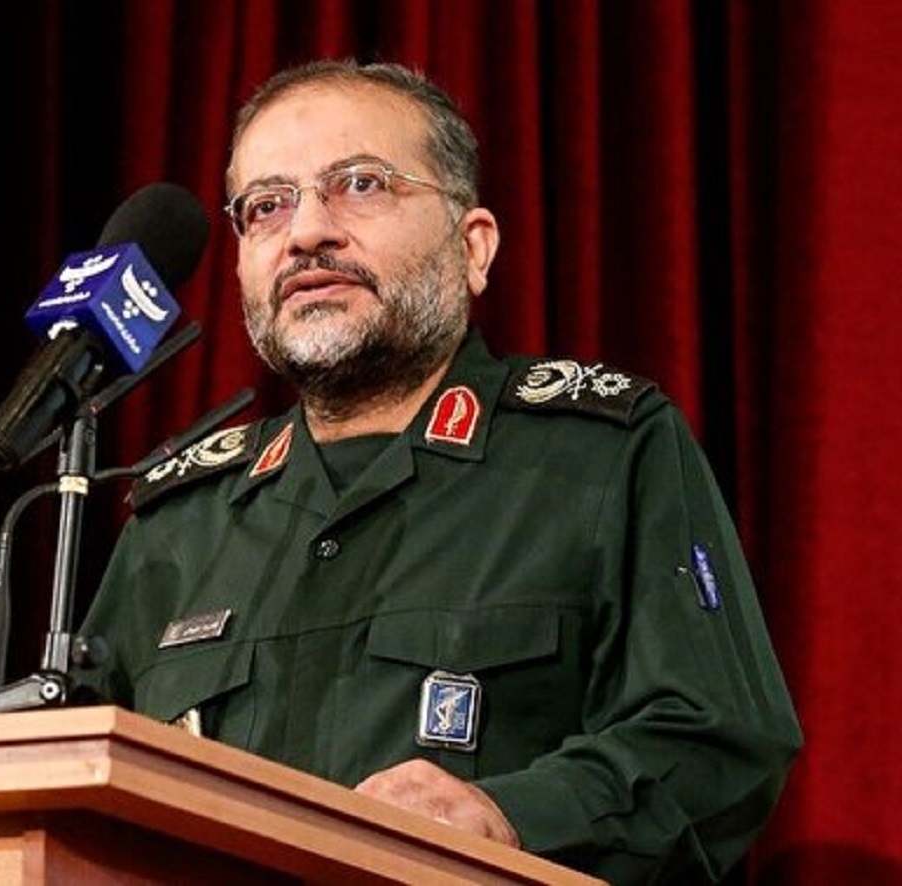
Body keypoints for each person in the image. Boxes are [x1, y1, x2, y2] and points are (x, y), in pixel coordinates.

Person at [73, 59, 802, 883]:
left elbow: (717, 740)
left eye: (360, 184)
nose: (306, 232)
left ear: (472, 247)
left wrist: (508, 816)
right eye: (267, 205)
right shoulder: (178, 519)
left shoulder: (600, 455)